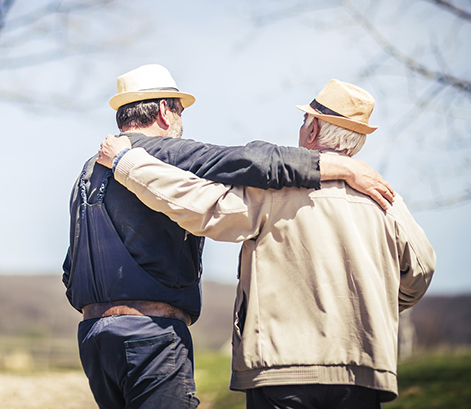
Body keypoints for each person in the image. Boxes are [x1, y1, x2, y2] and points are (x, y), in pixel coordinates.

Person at [97, 79, 435, 409]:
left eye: (305, 121)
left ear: (313, 130)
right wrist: (369, 305)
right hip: (365, 367)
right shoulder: (387, 201)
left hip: (280, 366)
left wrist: (127, 163)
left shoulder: (274, 193)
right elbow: (420, 272)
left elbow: (201, 206)